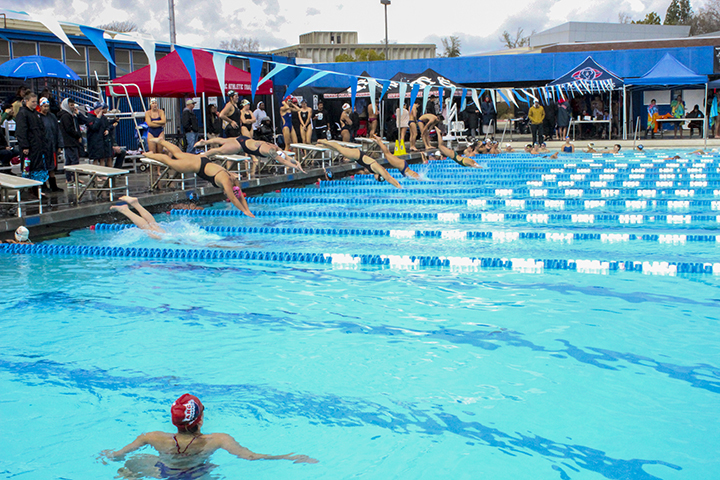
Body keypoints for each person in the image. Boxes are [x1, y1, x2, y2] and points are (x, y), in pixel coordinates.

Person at [100, 394, 317, 479]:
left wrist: (109, 454)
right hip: (198, 475)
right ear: (200, 419)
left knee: (129, 465)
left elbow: (118, 455)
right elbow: (249, 457)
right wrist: (288, 456)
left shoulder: (152, 437)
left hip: (165, 473)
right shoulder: (218, 439)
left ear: (174, 421)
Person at [144, 139, 254, 217]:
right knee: (170, 161)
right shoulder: (227, 182)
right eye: (227, 193)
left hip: (203, 159)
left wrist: (247, 210)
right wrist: (244, 211)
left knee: (178, 153)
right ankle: (149, 154)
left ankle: (161, 141)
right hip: (197, 166)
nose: (226, 194)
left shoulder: (233, 179)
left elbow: (241, 196)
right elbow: (235, 199)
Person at [194, 136, 305, 173]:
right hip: (241, 146)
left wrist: (297, 162)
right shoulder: (271, 152)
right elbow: (284, 161)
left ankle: (205, 142)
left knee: (223, 140)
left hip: (244, 139)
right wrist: (296, 167)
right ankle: (203, 155)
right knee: (219, 151)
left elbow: (287, 157)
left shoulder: (274, 147)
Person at [317, 139, 401, 187]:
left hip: (357, 157)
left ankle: (324, 146)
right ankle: (324, 141)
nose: (375, 179)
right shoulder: (378, 169)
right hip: (357, 155)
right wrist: (398, 186)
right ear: (379, 175)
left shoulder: (374, 171)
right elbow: (389, 178)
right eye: (377, 179)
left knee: (340, 150)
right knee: (340, 148)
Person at [15, 92, 49, 191]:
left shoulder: (36, 114)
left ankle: (37, 189)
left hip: (38, 146)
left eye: (36, 102)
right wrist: (25, 146)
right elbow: (21, 131)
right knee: (28, 169)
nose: (35, 104)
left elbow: (41, 129)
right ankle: (28, 190)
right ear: (26, 101)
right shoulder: (22, 114)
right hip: (29, 148)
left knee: (38, 168)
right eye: (32, 102)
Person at [38, 97, 64, 192]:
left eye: (47, 106)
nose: (46, 108)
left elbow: (57, 131)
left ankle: (53, 185)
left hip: (52, 145)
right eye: (44, 106)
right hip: (43, 146)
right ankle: (44, 185)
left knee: (52, 166)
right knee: (44, 166)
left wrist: (60, 145)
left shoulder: (52, 117)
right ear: (40, 106)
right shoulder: (38, 117)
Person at [58, 98, 83, 188]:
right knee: (74, 161)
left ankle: (70, 179)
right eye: (70, 105)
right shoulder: (66, 116)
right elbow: (70, 129)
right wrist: (78, 136)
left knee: (69, 161)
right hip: (70, 142)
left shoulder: (70, 115)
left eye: (73, 105)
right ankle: (73, 179)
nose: (72, 107)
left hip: (69, 142)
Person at [87, 101, 113, 168]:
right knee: (95, 159)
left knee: (103, 158)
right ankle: (95, 175)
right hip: (94, 141)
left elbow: (107, 125)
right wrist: (98, 118)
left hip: (102, 140)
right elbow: (93, 127)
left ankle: (103, 175)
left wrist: (107, 130)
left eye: (102, 109)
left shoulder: (103, 117)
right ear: (95, 109)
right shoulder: (90, 117)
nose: (101, 111)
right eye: (100, 109)